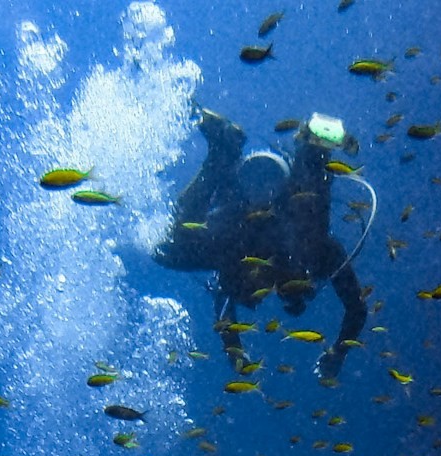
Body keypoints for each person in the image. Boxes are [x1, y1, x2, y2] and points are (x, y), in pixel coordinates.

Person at [153, 108, 373, 381]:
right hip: (257, 209)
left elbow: (224, 305)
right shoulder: (317, 256)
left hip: (245, 212)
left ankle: (227, 155)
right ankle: (312, 154)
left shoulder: (241, 260)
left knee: (168, 251)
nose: (260, 287)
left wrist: (235, 351)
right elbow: (356, 307)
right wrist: (337, 353)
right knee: (167, 251)